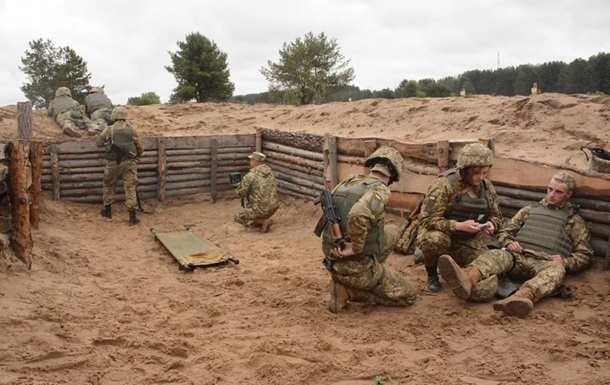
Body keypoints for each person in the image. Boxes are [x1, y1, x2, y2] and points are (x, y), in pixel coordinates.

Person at [438, 172, 594, 318]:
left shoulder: (574, 221)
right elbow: (505, 232)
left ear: (569, 195)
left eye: (558, 192)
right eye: (550, 189)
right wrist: (510, 242)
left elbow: (585, 254)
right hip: (518, 256)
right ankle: (468, 277)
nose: (552, 195)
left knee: (557, 271)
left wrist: (566, 262)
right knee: (495, 255)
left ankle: (521, 298)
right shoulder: (529, 210)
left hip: (544, 263)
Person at [321, 146, 417, 313]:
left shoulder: (349, 182)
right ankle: (351, 290)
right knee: (408, 295)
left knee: (393, 230)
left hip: (334, 259)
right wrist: (355, 248)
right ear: (393, 175)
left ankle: (351, 279)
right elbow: (358, 214)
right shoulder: (380, 189)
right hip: (355, 266)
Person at [415, 142, 504, 292]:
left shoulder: (487, 187)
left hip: (467, 240)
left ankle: (459, 276)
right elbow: (426, 219)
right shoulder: (445, 184)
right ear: (465, 169)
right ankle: (432, 273)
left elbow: (497, 216)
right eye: (476, 173)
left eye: (484, 173)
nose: (481, 177)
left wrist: (492, 224)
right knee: (434, 240)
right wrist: (458, 225)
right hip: (444, 235)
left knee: (487, 280)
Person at [96, 106, 144, 226]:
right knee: (130, 188)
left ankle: (107, 212)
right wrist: (136, 154)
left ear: (114, 116)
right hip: (129, 163)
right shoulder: (131, 129)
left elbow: (98, 143)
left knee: (108, 185)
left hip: (113, 163)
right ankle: (132, 218)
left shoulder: (109, 129)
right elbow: (139, 147)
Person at [234, 151, 279, 233]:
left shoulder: (251, 175)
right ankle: (263, 219)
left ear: (254, 161)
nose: (250, 162)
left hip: (259, 209)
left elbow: (240, 192)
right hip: (273, 207)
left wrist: (239, 186)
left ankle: (261, 221)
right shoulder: (270, 173)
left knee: (239, 217)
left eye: (251, 160)